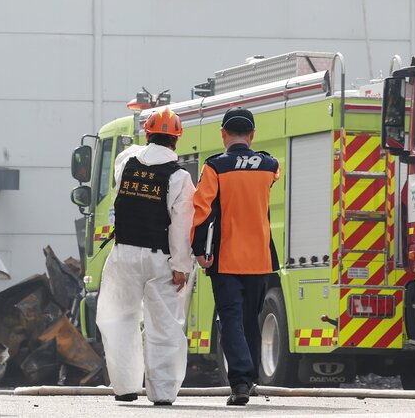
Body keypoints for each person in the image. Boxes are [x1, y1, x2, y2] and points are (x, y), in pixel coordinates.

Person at [98, 107, 196, 406]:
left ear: (148, 134)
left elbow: (135, 156)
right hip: (160, 260)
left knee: (118, 319)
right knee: (164, 325)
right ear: (176, 141)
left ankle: (125, 387)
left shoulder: (125, 162)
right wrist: (181, 267)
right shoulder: (180, 177)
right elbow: (181, 228)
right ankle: (163, 392)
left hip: (123, 254)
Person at [191, 107, 279, 406]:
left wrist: (200, 251)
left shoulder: (215, 167)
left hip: (226, 259)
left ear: (223, 134)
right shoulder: (270, 165)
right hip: (260, 258)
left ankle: (240, 381)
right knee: (250, 320)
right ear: (252, 135)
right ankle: (250, 379)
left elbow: (201, 212)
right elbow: (272, 177)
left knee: (230, 319)